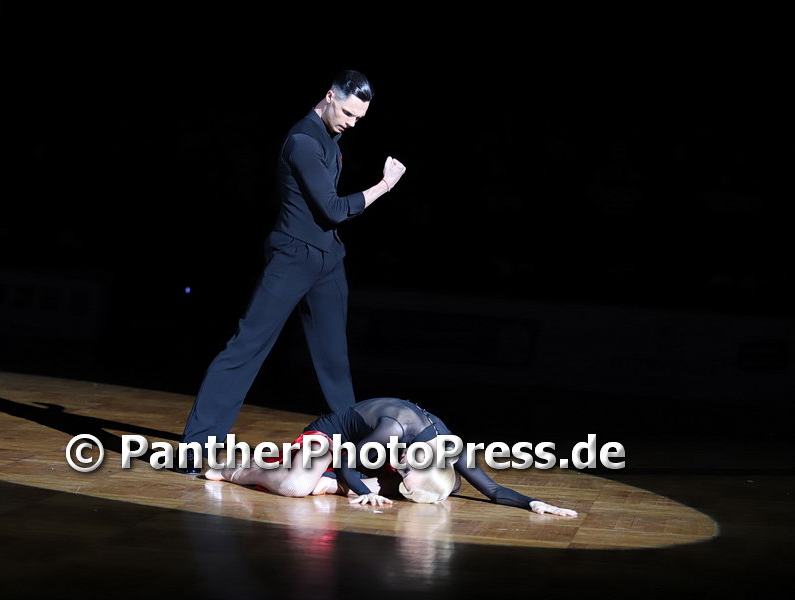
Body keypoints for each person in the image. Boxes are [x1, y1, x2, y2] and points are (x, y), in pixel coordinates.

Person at [178, 71, 407, 474]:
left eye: (359, 118)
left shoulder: (329, 138)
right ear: (330, 96)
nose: (352, 123)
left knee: (334, 362)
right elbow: (332, 209)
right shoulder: (302, 140)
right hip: (293, 257)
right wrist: (385, 185)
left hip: (328, 260)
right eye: (349, 113)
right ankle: (194, 450)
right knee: (246, 347)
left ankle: (352, 457)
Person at [204, 397, 578, 516]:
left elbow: (493, 490)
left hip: (367, 454)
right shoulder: (395, 430)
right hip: (334, 438)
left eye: (402, 478)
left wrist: (534, 503)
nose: (400, 476)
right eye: (405, 474)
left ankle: (328, 483)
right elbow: (348, 461)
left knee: (444, 489)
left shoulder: (452, 448)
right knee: (295, 487)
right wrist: (362, 491)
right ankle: (239, 470)